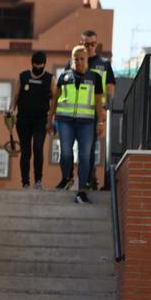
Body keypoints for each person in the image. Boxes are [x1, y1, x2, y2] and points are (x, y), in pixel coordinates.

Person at [50, 46, 106, 204]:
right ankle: (67, 178)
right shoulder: (64, 77)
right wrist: (50, 121)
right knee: (66, 153)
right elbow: (54, 100)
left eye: (82, 58)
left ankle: (81, 191)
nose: (79, 61)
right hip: (64, 121)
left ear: (87, 59)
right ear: (72, 59)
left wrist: (100, 121)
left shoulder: (95, 77)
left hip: (86, 123)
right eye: (76, 58)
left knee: (85, 156)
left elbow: (98, 102)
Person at [8, 51, 55, 189]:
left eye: (40, 66)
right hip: (23, 119)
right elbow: (15, 96)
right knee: (26, 151)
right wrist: (11, 110)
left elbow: (54, 100)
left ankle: (38, 181)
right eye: (35, 65)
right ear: (31, 64)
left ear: (44, 65)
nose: (38, 68)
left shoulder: (50, 79)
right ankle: (25, 182)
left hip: (41, 120)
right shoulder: (23, 76)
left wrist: (52, 119)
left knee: (38, 148)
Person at [81, 30, 116, 190]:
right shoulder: (76, 61)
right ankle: (85, 178)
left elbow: (110, 87)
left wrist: (106, 108)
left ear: (96, 44)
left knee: (89, 146)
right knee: (79, 148)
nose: (89, 47)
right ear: (81, 44)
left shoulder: (103, 63)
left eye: (93, 44)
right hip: (78, 112)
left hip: (96, 112)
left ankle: (90, 179)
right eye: (86, 44)